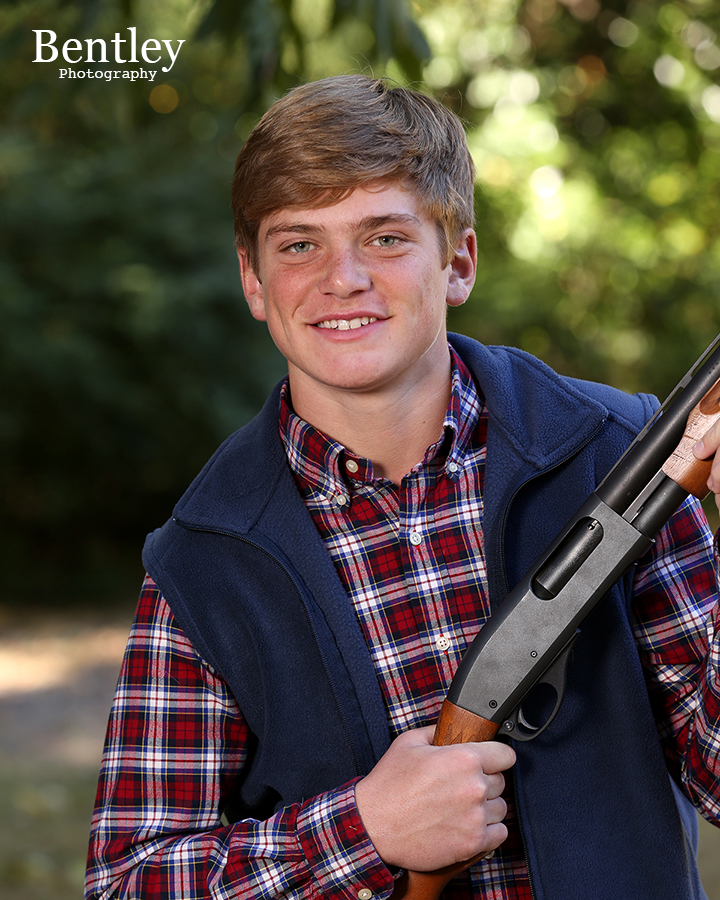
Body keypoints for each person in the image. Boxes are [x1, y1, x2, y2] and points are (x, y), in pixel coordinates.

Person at [85, 74, 720, 900]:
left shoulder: (625, 458)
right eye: (299, 243)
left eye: (385, 237)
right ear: (253, 281)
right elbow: (126, 882)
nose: (341, 277)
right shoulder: (201, 562)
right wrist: (364, 830)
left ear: (458, 262)